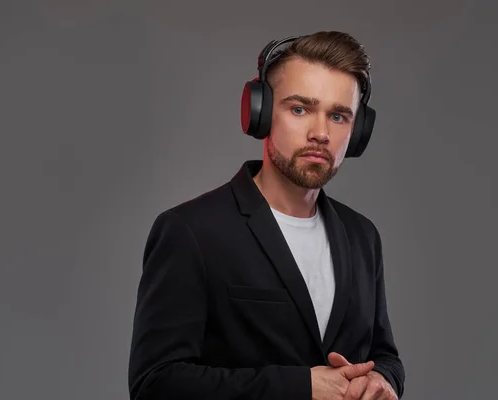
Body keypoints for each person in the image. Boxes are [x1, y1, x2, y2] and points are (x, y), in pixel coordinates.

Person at [128, 31, 405, 400]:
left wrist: (383, 379)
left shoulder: (362, 236)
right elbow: (155, 384)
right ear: (259, 113)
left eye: (338, 116)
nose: (320, 133)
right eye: (300, 109)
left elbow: (384, 354)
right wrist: (300, 387)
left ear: (357, 133)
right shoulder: (190, 231)